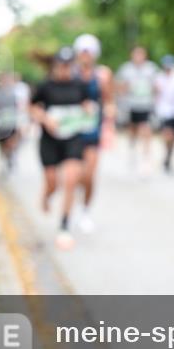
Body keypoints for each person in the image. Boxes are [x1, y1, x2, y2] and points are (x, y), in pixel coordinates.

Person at [31, 47, 95, 250]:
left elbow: (88, 106)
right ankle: (46, 195)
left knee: (71, 178)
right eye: (62, 65)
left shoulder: (80, 85)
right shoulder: (45, 86)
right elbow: (32, 107)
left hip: (73, 139)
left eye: (69, 65)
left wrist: (88, 111)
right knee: (53, 182)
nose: (65, 70)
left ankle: (64, 226)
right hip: (50, 140)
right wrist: (45, 119)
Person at [73, 34, 114, 234]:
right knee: (75, 174)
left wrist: (109, 123)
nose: (85, 56)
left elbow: (108, 101)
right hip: (72, 132)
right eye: (83, 52)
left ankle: (85, 211)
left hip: (93, 131)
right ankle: (72, 205)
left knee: (89, 174)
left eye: (89, 52)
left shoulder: (102, 75)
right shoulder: (70, 74)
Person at [116, 46, 158, 175]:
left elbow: (156, 86)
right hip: (131, 104)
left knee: (146, 129)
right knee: (133, 129)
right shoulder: (126, 69)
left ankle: (146, 157)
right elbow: (119, 86)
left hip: (146, 104)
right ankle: (132, 150)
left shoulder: (151, 69)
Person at [154, 54, 174, 173]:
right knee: (167, 133)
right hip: (163, 110)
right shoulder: (159, 77)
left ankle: (169, 156)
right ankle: (167, 154)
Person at [0, 72, 21, 172]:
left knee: (11, 141)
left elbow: (18, 107)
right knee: (2, 144)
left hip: (11, 122)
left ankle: (11, 156)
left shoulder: (14, 93)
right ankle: (6, 158)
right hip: (0, 124)